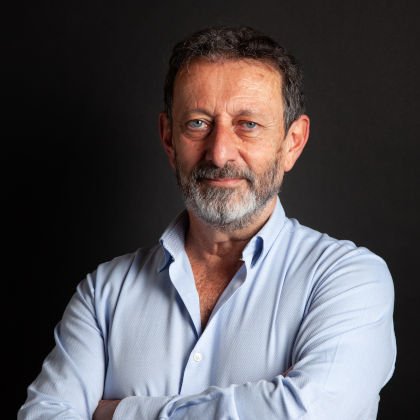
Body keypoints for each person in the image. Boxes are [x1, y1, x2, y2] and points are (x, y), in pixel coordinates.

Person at [18, 25, 396, 420]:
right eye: (198, 123)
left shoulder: (347, 280)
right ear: (169, 139)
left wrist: (118, 413)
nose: (219, 153)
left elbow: (310, 413)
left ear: (292, 143)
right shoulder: (104, 293)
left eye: (248, 124)